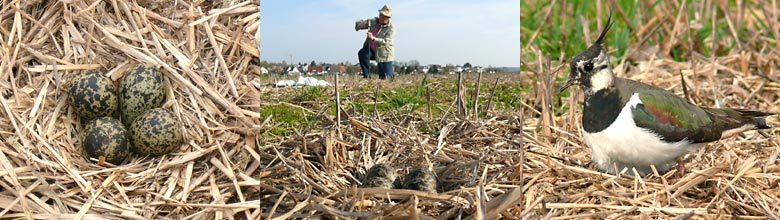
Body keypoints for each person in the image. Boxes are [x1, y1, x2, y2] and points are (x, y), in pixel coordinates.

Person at [355, 5, 395, 79]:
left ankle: (388, 74)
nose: (381, 18)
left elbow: (386, 42)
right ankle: (366, 76)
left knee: (387, 78)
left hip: (384, 55)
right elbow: (360, 25)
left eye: (384, 16)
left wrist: (373, 38)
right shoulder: (373, 21)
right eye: (381, 15)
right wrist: (360, 25)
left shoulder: (391, 28)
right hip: (372, 50)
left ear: (388, 18)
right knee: (363, 53)